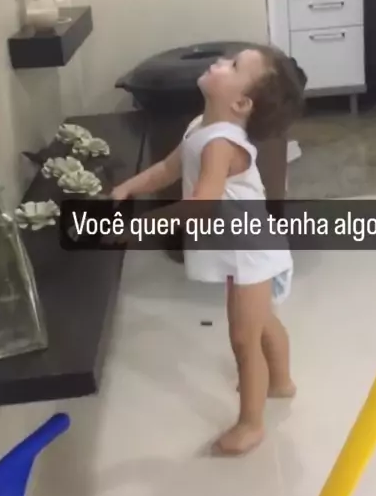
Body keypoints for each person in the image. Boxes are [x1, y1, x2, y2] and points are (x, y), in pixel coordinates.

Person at [112, 45, 305, 455]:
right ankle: (281, 382)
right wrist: (130, 186)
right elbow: (168, 169)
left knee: (244, 338)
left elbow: (201, 204)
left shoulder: (222, 143)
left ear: (241, 103)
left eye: (233, 66)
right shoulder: (200, 126)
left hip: (250, 250)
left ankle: (252, 423)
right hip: (240, 246)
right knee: (262, 320)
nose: (218, 63)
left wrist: (142, 226)